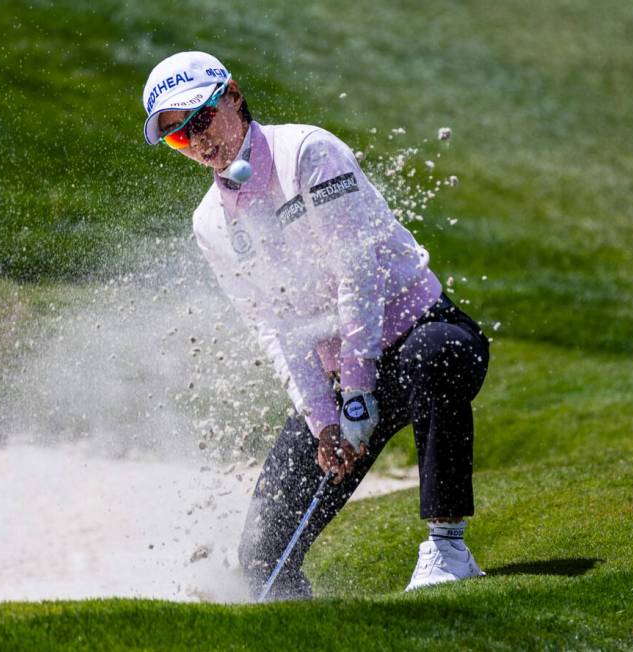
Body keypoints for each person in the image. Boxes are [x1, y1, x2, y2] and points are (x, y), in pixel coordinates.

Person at [142, 51, 490, 600]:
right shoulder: (209, 223)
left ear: (232, 95)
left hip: (419, 330)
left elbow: (359, 271)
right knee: (261, 560)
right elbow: (272, 326)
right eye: (179, 138)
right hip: (339, 380)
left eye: (201, 120)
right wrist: (325, 420)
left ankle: (448, 549)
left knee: (436, 355)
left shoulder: (306, 152)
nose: (199, 142)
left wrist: (357, 389)